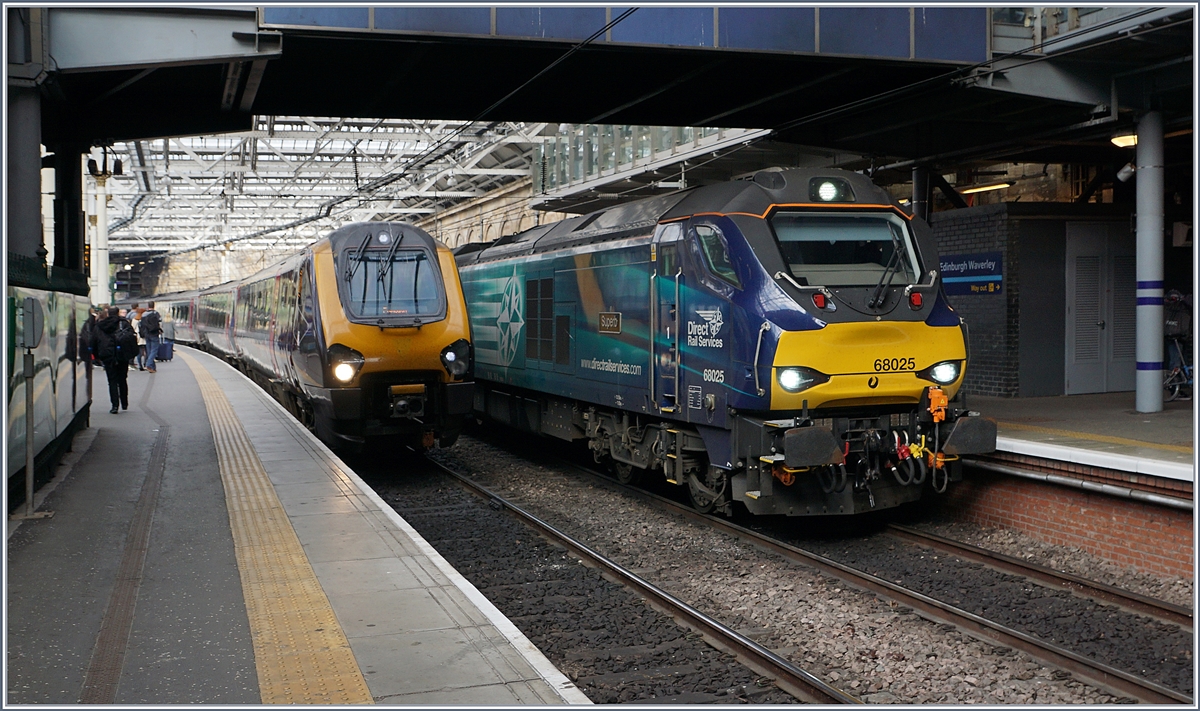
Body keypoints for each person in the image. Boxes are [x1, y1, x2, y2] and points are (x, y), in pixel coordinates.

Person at [94, 306, 134, 413]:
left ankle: (115, 406)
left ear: (108, 314)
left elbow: (94, 341)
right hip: (122, 355)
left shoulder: (100, 325)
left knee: (112, 381)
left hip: (107, 356)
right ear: (118, 313)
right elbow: (131, 337)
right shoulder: (124, 323)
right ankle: (124, 403)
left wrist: (97, 356)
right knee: (122, 379)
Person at [140, 301, 162, 373]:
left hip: (147, 334)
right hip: (154, 334)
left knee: (149, 351)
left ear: (147, 306)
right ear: (154, 306)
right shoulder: (155, 313)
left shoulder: (143, 314)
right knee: (154, 350)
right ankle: (148, 364)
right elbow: (159, 323)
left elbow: (141, 325)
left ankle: (152, 368)